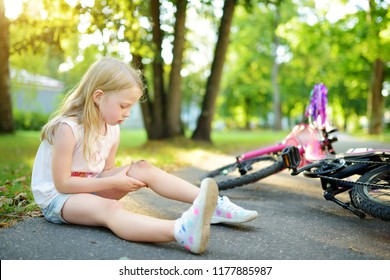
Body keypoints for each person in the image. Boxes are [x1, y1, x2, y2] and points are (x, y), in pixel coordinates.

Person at [31, 57, 258, 255]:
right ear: (98, 97)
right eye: (123, 106)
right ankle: (181, 231)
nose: (127, 113)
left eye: (130, 107)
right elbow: (62, 184)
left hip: (89, 187)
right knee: (111, 210)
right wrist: (114, 182)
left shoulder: (112, 129)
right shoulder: (68, 129)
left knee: (142, 167)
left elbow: (105, 171)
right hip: (58, 199)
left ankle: (212, 205)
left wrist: (114, 179)